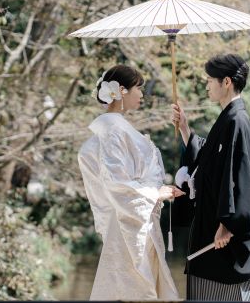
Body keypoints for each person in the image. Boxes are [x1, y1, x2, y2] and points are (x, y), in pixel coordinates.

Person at [78, 64, 185, 300]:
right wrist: (156, 193)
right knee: (135, 287)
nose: (142, 95)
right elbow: (116, 182)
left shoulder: (116, 128)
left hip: (139, 219)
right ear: (122, 91)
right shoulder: (113, 130)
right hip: (130, 222)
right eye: (139, 89)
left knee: (139, 286)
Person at [171, 54, 250, 301]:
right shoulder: (228, 118)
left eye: (209, 80)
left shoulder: (237, 120)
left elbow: (238, 176)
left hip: (223, 231)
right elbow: (210, 159)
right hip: (215, 224)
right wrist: (185, 128)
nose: (206, 86)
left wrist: (228, 224)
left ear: (226, 82)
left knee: (225, 288)